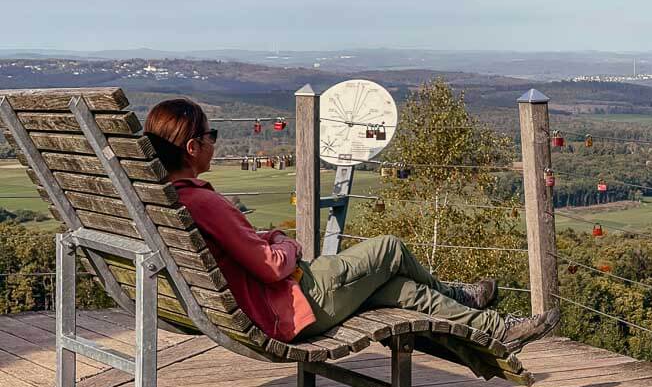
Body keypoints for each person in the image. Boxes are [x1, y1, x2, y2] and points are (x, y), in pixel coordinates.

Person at [143, 98, 558, 352]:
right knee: (389, 248)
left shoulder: (171, 198)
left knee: (401, 290)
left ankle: (495, 329)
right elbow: (271, 265)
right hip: (290, 305)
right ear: (193, 147)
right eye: (211, 135)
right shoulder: (202, 202)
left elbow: (246, 249)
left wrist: (272, 240)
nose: (215, 142)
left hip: (274, 303)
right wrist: (288, 244)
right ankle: (462, 297)